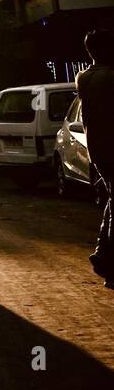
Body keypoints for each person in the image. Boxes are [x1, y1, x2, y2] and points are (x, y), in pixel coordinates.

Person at [76, 29, 114, 285]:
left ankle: (103, 255)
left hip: (98, 151)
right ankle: (106, 260)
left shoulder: (82, 78)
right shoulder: (110, 77)